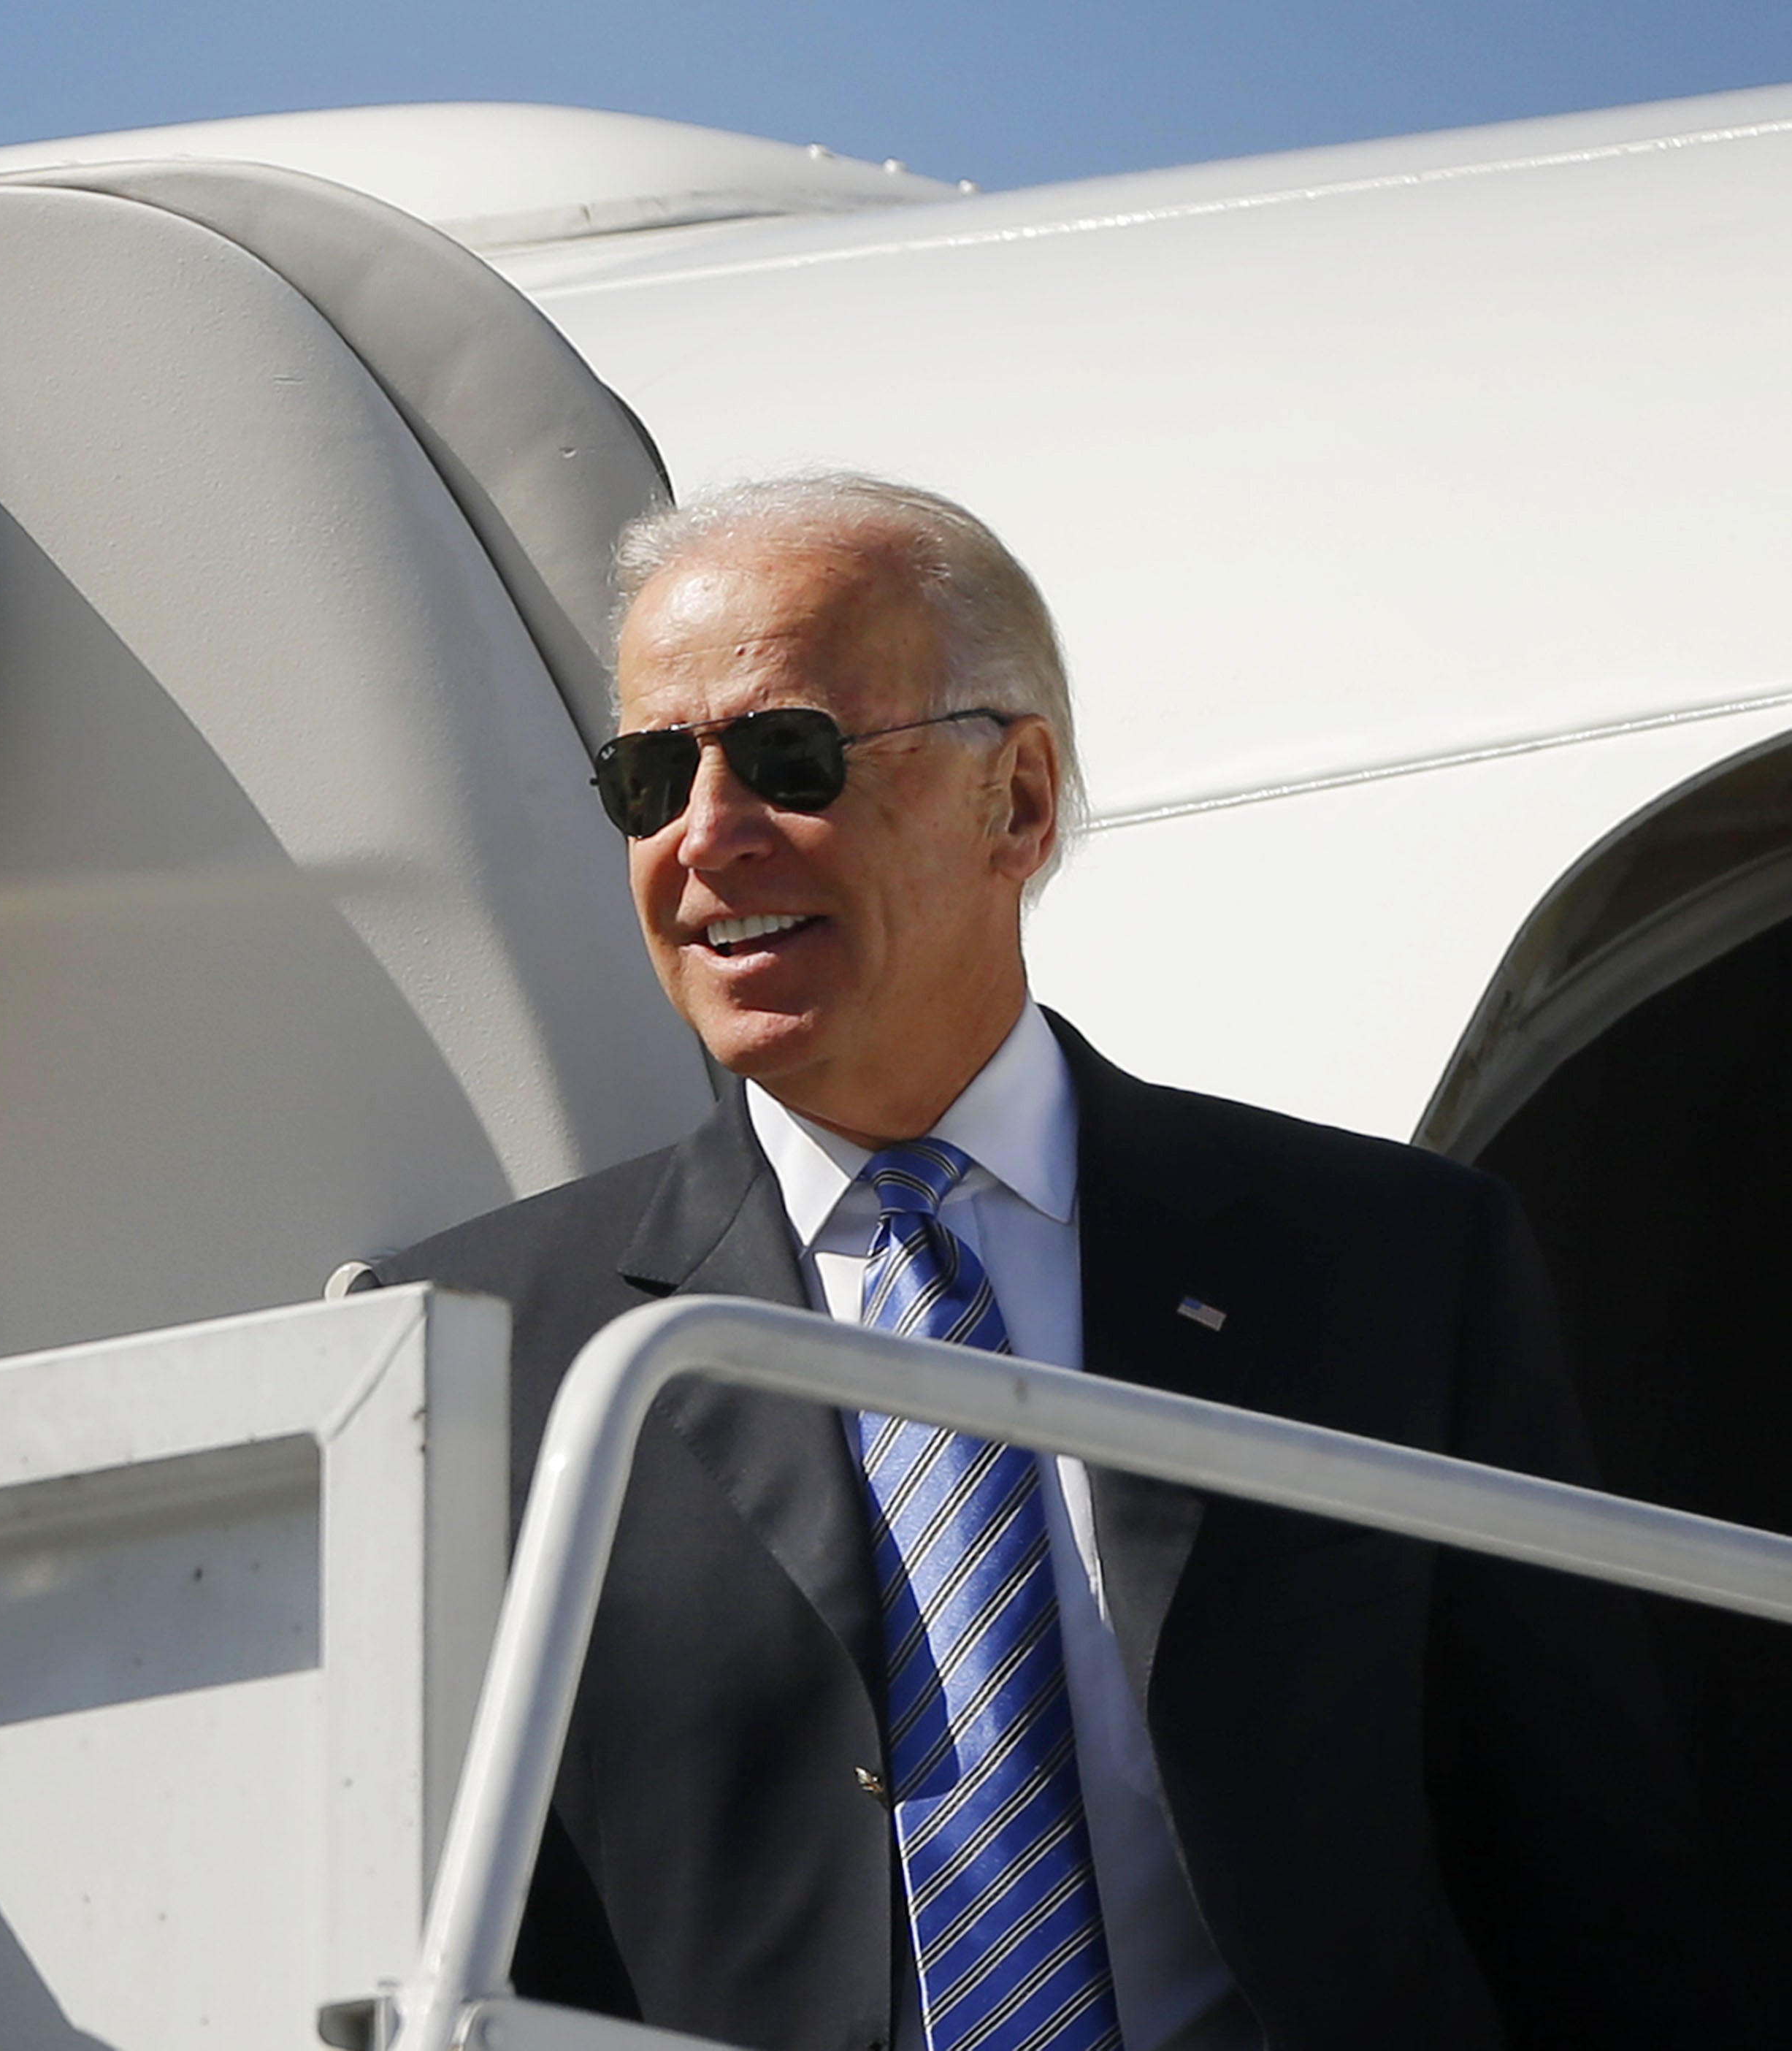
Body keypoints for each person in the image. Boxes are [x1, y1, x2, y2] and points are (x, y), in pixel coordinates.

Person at [359, 475, 1712, 2051]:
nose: (706, 837)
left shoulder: (1390, 1263)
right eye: (650, 778)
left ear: (1016, 800)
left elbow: (1598, 1885)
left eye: (790, 758)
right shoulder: (471, 1350)